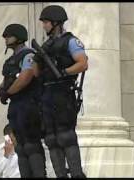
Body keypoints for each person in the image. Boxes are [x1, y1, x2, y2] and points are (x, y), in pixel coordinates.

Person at [32, 5, 88, 178]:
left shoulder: (70, 41)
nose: (44, 25)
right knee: (51, 139)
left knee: (66, 137)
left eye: (46, 22)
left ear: (56, 23)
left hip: (63, 92)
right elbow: (35, 73)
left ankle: (77, 175)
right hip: (47, 95)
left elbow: (82, 63)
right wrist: (37, 58)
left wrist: (64, 72)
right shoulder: (46, 45)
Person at [0, 23, 46, 177]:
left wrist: (8, 92)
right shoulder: (11, 60)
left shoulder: (28, 55)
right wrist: (1, 91)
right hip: (16, 107)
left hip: (29, 105)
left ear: (18, 37)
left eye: (8, 36)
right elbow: (6, 81)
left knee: (31, 145)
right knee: (21, 147)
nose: (5, 39)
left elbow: (25, 78)